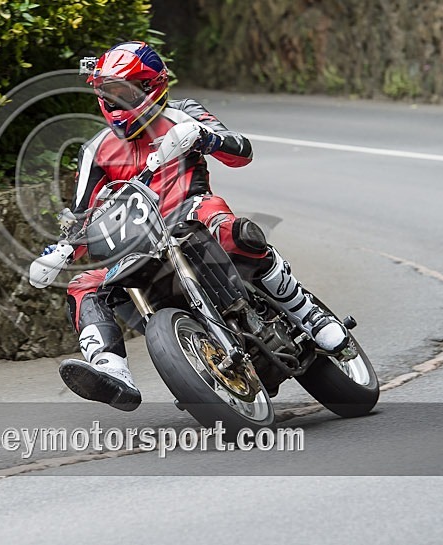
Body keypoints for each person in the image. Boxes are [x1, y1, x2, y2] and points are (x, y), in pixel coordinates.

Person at [37, 41, 348, 411]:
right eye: (107, 93)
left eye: (124, 91)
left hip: (192, 212)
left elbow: (241, 151)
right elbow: (80, 213)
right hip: (136, 239)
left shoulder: (184, 113)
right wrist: (60, 249)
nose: (115, 101)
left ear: (151, 87)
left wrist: (204, 137)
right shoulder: (95, 150)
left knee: (231, 230)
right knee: (83, 284)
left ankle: (306, 313)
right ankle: (111, 369)